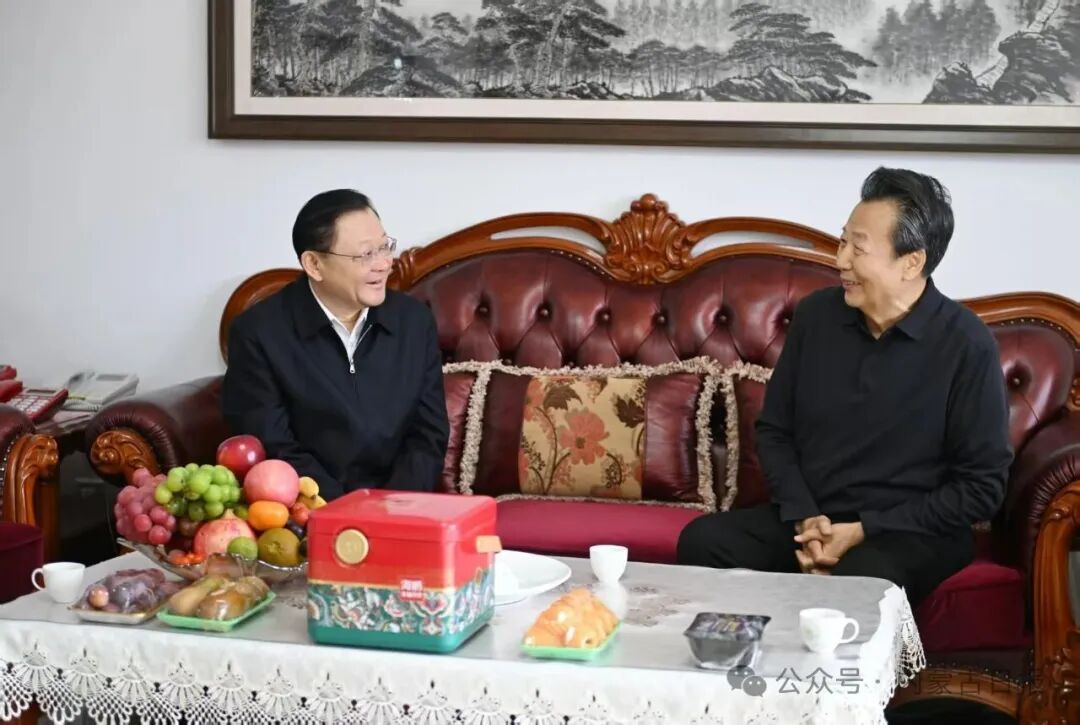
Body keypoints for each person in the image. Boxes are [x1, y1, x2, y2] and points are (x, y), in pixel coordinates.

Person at [676, 167, 1012, 607]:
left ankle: (861, 651)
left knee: (862, 579)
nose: (841, 260)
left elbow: (981, 488)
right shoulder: (817, 317)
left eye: (859, 248)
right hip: (812, 521)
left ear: (911, 262)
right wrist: (805, 518)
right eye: (842, 242)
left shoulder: (966, 343)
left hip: (912, 531)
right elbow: (775, 431)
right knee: (703, 542)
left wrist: (865, 529)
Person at [221, 189, 449, 500]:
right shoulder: (259, 333)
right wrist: (344, 510)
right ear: (314, 264)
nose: (384, 264)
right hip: (311, 509)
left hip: (401, 509)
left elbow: (428, 434)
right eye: (365, 254)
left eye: (385, 247)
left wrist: (392, 507)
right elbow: (275, 446)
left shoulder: (414, 322)